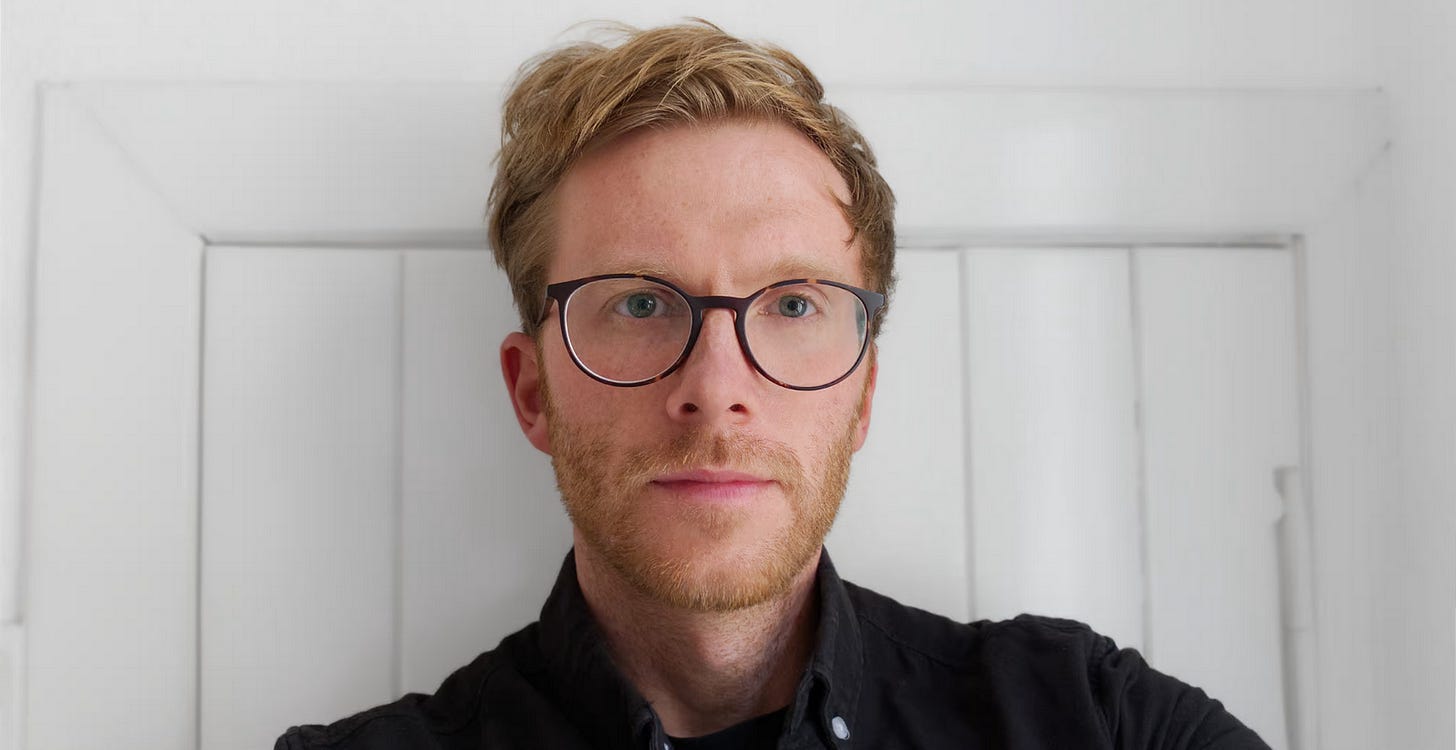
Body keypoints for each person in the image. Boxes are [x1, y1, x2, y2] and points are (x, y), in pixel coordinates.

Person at [276, 20, 1269, 750]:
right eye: (638, 303)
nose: (715, 390)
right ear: (531, 391)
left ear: (864, 392)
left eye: (792, 304)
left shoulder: (1093, 724)